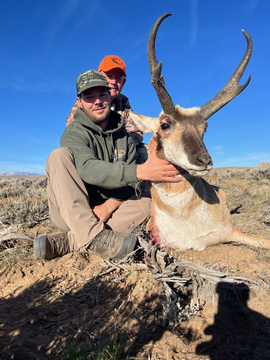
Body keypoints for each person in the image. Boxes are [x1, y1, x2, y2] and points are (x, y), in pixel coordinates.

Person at [34, 70, 182, 261]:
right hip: (71, 212)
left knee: (148, 202)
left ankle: (71, 241)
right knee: (58, 156)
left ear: (110, 97)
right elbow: (88, 168)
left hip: (105, 214)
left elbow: (130, 186)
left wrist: (109, 206)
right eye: (89, 97)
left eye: (101, 94)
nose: (97, 101)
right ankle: (95, 237)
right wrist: (140, 171)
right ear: (79, 102)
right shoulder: (73, 133)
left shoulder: (126, 139)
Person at [66, 55, 148, 165]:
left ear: (123, 83)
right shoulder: (83, 104)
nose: (114, 82)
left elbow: (135, 132)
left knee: (145, 150)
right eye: (109, 76)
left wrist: (123, 147)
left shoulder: (123, 102)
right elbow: (73, 135)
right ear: (99, 78)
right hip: (93, 152)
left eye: (118, 78)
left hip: (119, 153)